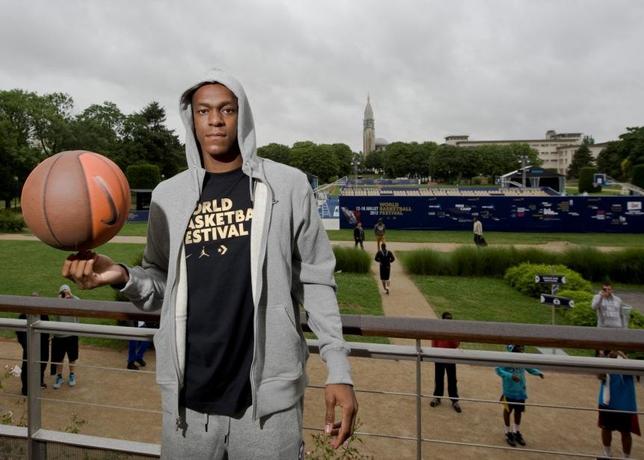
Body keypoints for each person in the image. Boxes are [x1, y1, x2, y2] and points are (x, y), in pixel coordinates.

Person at [62, 70, 357, 458]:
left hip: (266, 404)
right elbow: (160, 281)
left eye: (226, 110)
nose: (215, 120)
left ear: (242, 116)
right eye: (203, 111)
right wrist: (122, 277)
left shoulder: (288, 185)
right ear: (192, 118)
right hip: (187, 403)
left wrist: (338, 368)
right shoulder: (169, 195)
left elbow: (317, 281)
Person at [495, 344, 544, 447]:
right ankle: (508, 433)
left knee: (518, 412)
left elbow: (529, 368)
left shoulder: (522, 358)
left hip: (520, 392)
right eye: (519, 347)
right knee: (507, 411)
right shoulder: (507, 359)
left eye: (522, 347)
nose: (522, 349)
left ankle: (516, 432)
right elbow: (498, 370)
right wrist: (510, 376)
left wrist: (538, 372)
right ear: (513, 349)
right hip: (509, 391)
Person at [596, 350, 640, 459]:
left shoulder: (625, 357)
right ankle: (607, 454)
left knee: (625, 432)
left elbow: (637, 375)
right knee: (605, 428)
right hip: (607, 401)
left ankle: (626, 457)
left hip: (625, 401)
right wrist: (602, 361)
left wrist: (622, 356)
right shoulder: (604, 356)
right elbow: (599, 376)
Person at [16, 292, 49, 395]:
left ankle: (39, 381)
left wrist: (45, 342)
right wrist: (27, 346)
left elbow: (46, 329)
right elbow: (20, 333)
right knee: (27, 366)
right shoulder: (23, 315)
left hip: (42, 345)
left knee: (43, 363)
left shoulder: (43, 314)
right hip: (29, 345)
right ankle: (25, 388)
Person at [429, 311, 461, 413]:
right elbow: (434, 342)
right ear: (442, 320)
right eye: (447, 319)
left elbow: (456, 344)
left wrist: (450, 334)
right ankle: (437, 397)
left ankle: (454, 400)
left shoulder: (454, 330)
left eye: (450, 319)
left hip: (451, 357)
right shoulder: (437, 329)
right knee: (439, 377)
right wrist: (434, 353)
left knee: (452, 379)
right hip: (439, 356)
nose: (449, 321)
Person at [51, 284, 80, 389]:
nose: (65, 295)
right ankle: (59, 377)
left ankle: (72, 375)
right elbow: (53, 312)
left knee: (72, 357)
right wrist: (58, 300)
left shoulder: (74, 301)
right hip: (59, 336)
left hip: (72, 334)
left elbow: (81, 304)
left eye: (67, 292)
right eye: (63, 292)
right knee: (59, 359)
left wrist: (71, 296)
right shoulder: (57, 303)